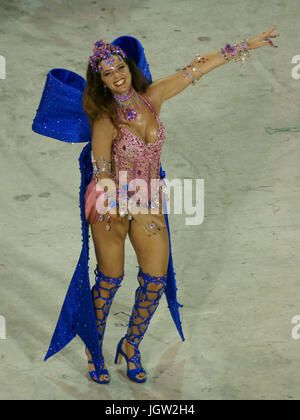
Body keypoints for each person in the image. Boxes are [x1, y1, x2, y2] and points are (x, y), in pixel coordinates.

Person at [33, 27, 279, 386]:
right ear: (100, 82)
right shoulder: (105, 119)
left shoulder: (153, 97)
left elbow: (197, 68)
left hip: (147, 196)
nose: (116, 77)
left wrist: (246, 45)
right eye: (107, 74)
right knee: (109, 280)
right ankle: (92, 350)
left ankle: (130, 345)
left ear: (129, 68)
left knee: (154, 280)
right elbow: (101, 169)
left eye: (120, 68)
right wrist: (125, 206)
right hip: (111, 203)